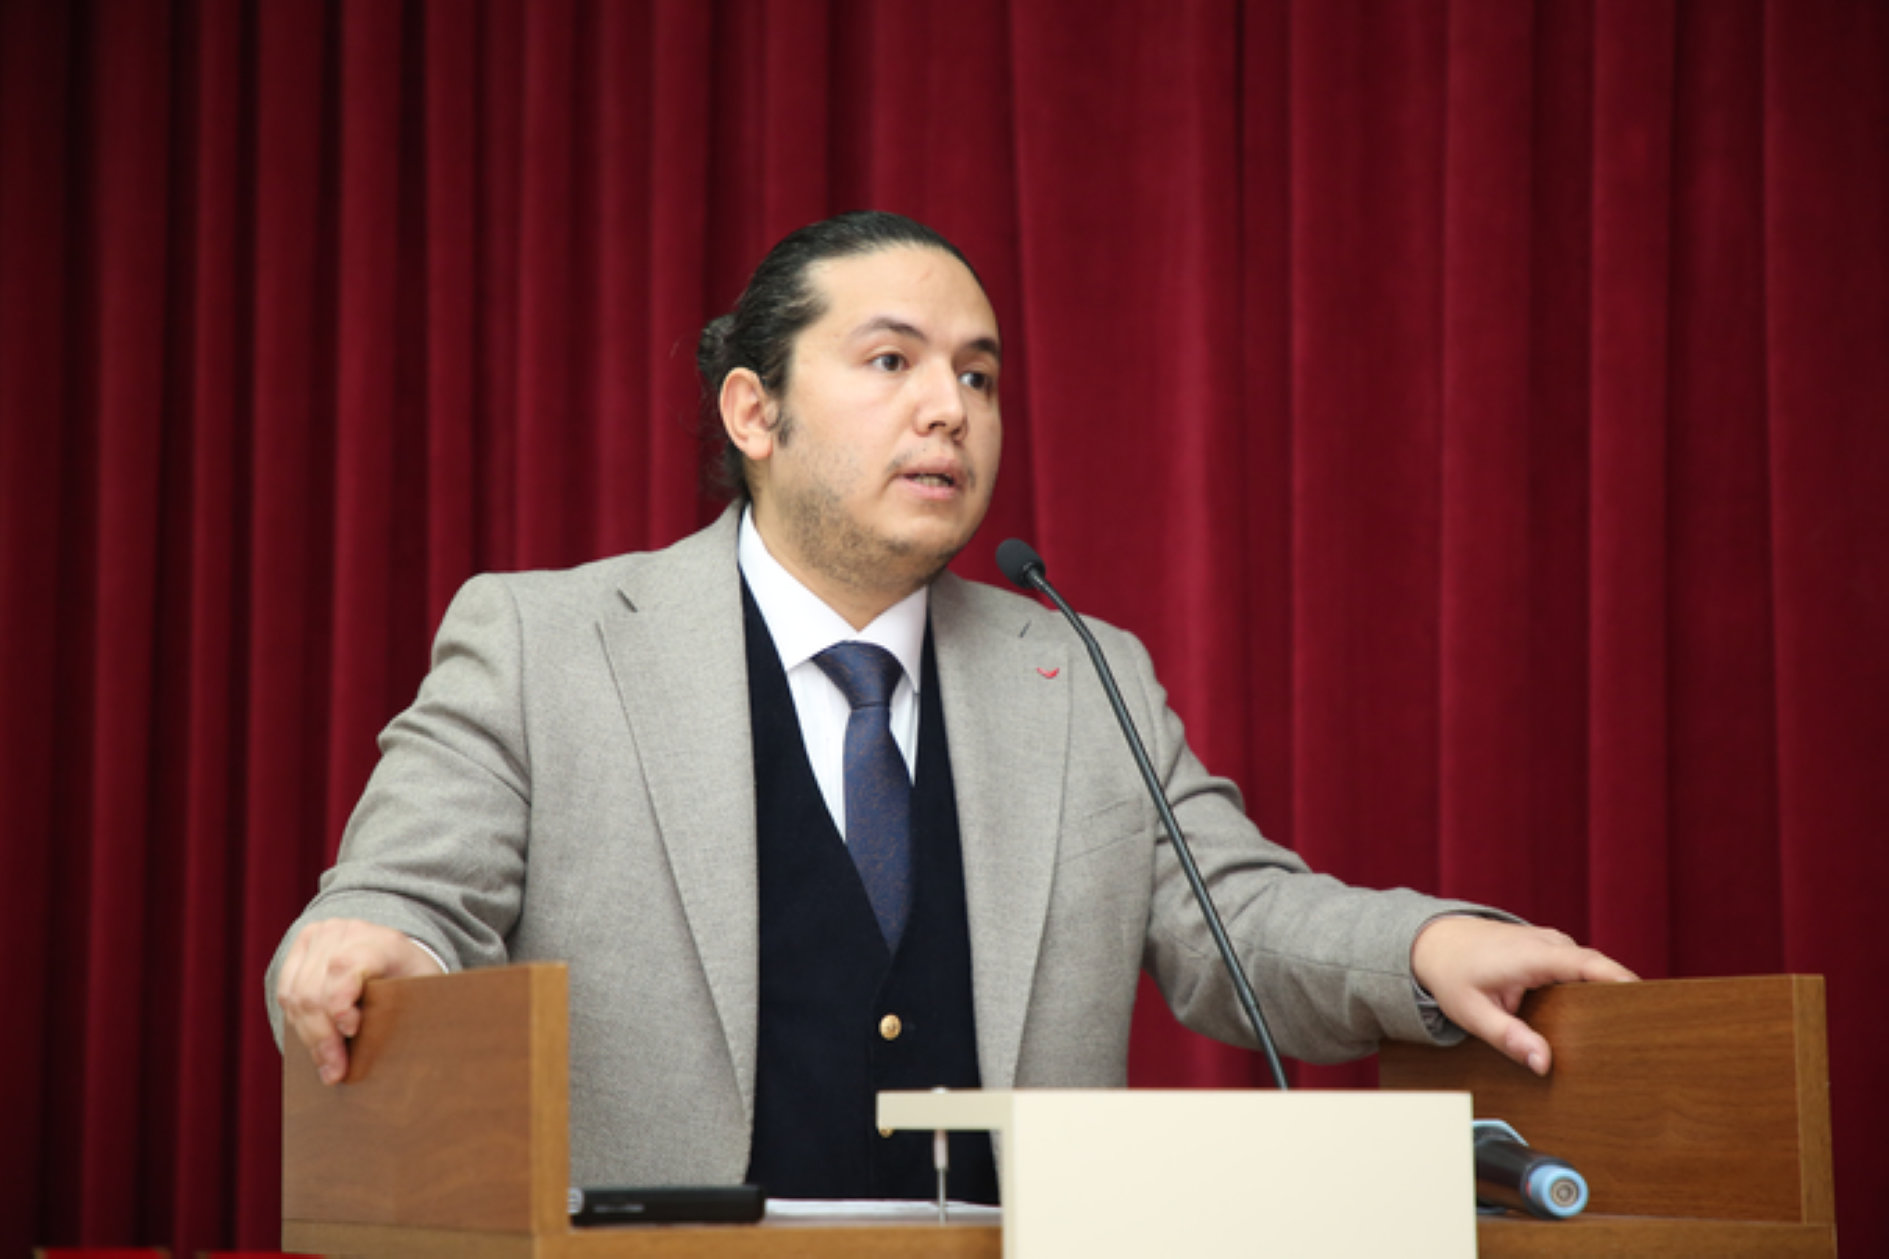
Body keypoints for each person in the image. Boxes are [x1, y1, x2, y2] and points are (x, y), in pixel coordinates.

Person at [268, 210, 1633, 1202]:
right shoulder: (546, 641)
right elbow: (402, 900)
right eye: (891, 363)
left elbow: (1236, 923)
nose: (950, 410)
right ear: (752, 413)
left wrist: (1426, 946)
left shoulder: (1079, 672)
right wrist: (365, 944)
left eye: (977, 375)